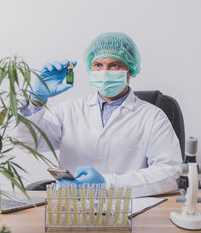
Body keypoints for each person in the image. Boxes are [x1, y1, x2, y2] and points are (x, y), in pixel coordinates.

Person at [14, 32, 181, 197]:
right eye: (98, 65)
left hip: (126, 208)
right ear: (90, 68)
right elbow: (26, 143)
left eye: (114, 65)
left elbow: (170, 173)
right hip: (70, 206)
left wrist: (105, 185)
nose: (105, 71)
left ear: (130, 70)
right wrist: (36, 101)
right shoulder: (69, 110)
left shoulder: (152, 117)